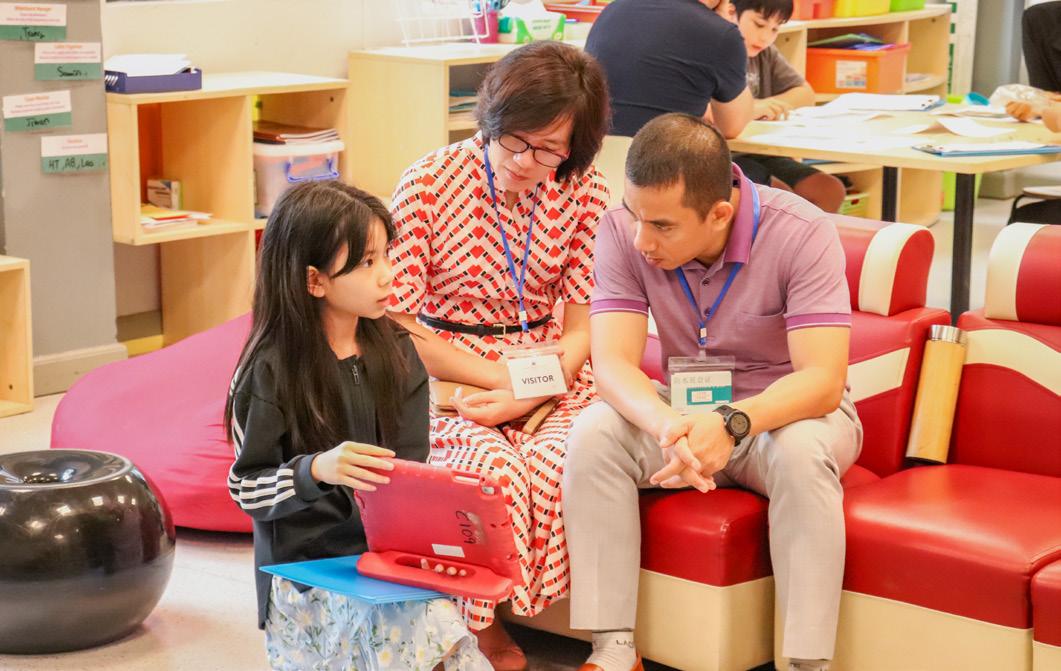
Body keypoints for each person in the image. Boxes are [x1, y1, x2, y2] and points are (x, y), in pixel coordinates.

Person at [563, 113, 862, 671]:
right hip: (685, 416)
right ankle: (613, 649)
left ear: (720, 213)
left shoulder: (801, 231)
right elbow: (613, 365)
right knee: (594, 433)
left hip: (786, 416)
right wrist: (666, 426)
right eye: (635, 215)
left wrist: (730, 423)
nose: (642, 240)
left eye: (663, 226)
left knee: (801, 455)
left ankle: (807, 664)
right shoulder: (621, 231)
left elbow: (821, 381)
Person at [387, 41, 611, 671]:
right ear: (491, 117)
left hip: (552, 364)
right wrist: (498, 380)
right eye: (515, 140)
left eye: (549, 150)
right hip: (446, 365)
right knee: (489, 474)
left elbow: (584, 323)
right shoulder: (429, 182)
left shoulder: (585, 189)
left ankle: (579, 622)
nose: (526, 161)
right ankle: (479, 628)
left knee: (564, 460)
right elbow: (398, 325)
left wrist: (532, 388)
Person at [225, 181, 490, 671]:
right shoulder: (266, 370)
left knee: (441, 634)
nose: (388, 274)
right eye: (367, 262)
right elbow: (246, 489)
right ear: (314, 280)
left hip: (383, 563)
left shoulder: (398, 351)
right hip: (304, 578)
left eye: (386, 255)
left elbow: (411, 472)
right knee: (422, 632)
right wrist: (315, 470)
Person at [722, 0, 847, 213]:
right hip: (725, 157)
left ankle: (810, 237)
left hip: (759, 151)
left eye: (775, 29)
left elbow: (805, 94)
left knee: (829, 190)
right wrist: (751, 109)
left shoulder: (764, 52)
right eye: (759, 24)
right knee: (785, 201)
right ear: (731, 12)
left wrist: (773, 106)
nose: (765, 37)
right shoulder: (718, 52)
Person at [584, 0, 753, 138]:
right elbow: (731, 127)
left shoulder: (611, 11)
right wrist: (723, 23)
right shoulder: (721, 33)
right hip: (664, 163)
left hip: (596, 161)